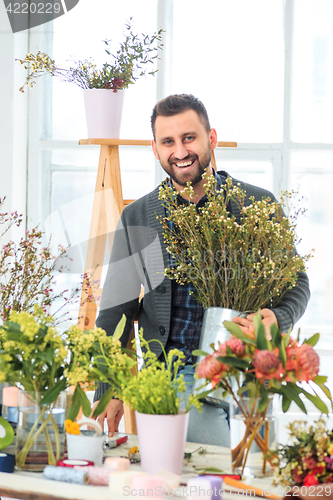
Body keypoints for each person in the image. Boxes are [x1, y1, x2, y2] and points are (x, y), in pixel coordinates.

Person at [92, 94, 310, 443]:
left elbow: (296, 281)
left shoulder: (257, 204)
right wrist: (110, 386)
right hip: (173, 374)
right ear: (155, 149)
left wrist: (278, 317)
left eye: (189, 138)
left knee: (253, 475)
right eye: (168, 142)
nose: (180, 151)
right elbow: (114, 311)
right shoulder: (136, 218)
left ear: (211, 138)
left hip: (248, 368)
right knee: (212, 471)